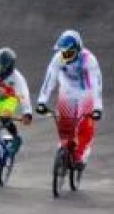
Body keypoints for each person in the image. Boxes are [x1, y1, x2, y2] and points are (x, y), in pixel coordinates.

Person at [34, 29, 104, 170]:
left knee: (85, 123)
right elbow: (50, 79)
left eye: (69, 52)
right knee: (64, 122)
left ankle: (81, 155)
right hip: (67, 90)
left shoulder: (89, 60)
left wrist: (97, 108)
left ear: (78, 49)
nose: (65, 56)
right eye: (63, 52)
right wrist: (42, 101)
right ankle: (65, 143)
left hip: (86, 92)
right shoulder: (58, 58)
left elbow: (96, 84)